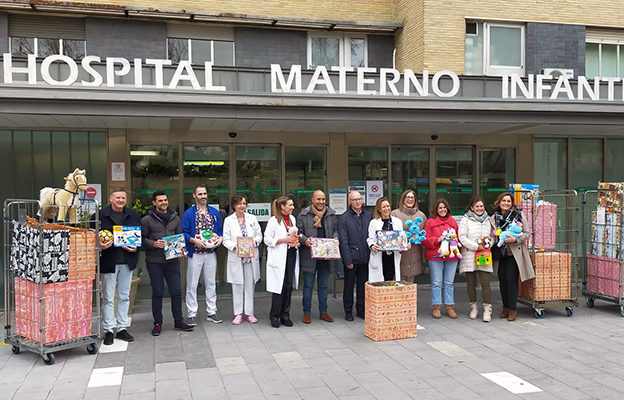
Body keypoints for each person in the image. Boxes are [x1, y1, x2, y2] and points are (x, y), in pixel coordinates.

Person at [141, 191, 194, 335]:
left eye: (165, 200)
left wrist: (181, 250)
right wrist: (153, 244)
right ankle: (157, 323)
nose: (163, 203)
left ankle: (178, 321)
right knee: (157, 292)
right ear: (154, 203)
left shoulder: (175, 218)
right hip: (154, 261)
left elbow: (180, 237)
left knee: (176, 291)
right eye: (160, 201)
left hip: (172, 261)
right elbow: (141, 239)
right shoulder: (146, 220)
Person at [95, 188, 140, 345]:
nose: (121, 200)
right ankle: (108, 329)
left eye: (123, 198)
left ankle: (121, 328)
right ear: (111, 198)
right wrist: (99, 245)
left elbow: (138, 236)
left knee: (124, 296)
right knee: (107, 297)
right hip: (108, 261)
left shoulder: (133, 215)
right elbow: (90, 236)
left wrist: (136, 248)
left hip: (127, 261)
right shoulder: (100, 215)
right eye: (118, 197)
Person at [182, 184, 224, 326]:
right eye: (200, 194)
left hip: (211, 253)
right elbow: (184, 232)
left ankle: (211, 311)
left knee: (211, 283)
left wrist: (220, 239)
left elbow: (220, 230)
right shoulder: (189, 213)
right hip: (195, 253)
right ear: (194, 196)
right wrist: (193, 241)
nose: (203, 196)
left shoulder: (214, 212)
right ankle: (191, 313)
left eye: (205, 194)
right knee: (192, 284)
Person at [489, 192, 535, 322]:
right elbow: (492, 235)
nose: (506, 203)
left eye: (508, 201)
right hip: (500, 253)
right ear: (499, 202)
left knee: (511, 280)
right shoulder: (493, 217)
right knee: (502, 279)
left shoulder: (518, 215)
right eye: (503, 201)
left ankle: (513, 309)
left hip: (514, 253)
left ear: (512, 203)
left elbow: (527, 233)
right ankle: (505, 307)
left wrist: (515, 239)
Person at [297, 190, 338, 324]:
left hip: (326, 256)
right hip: (309, 256)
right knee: (308, 285)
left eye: (323, 199)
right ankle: (306, 312)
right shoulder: (304, 214)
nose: (321, 202)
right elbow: (299, 232)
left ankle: (323, 311)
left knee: (324, 285)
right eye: (318, 199)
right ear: (312, 200)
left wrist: (335, 238)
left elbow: (336, 229)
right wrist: (304, 240)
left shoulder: (331, 214)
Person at [222, 194, 263, 325]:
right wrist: (235, 246)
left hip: (250, 258)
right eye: (239, 204)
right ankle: (238, 313)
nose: (242, 206)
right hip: (237, 256)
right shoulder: (229, 220)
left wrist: (254, 242)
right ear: (234, 205)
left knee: (250, 285)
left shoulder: (252, 218)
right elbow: (226, 239)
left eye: (244, 203)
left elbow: (259, 235)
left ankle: (250, 313)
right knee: (237, 285)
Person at [264, 196, 300, 328]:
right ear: (282, 207)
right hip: (279, 256)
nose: (293, 207)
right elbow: (267, 239)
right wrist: (283, 240)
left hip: (291, 254)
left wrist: (295, 241)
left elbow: (293, 235)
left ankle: (286, 315)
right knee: (278, 287)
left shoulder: (292, 219)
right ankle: (274, 315)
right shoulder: (273, 221)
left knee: (288, 286)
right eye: (290, 205)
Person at [422, 199, 460, 319]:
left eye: (444, 207)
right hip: (435, 255)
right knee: (436, 282)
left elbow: (458, 236)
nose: (442, 210)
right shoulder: (430, 222)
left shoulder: (452, 221)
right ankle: (436, 307)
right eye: (440, 208)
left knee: (449, 283)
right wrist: (438, 239)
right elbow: (425, 239)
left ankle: (449, 307)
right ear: (436, 210)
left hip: (451, 256)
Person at [458, 196, 493, 322]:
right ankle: (473, 307)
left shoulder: (489, 220)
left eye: (481, 206)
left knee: (485, 282)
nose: (479, 208)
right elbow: (462, 237)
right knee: (471, 283)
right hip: (470, 254)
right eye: (477, 206)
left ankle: (487, 309)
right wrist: (476, 246)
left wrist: (489, 244)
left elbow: (493, 236)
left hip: (484, 255)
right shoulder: (465, 220)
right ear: (472, 207)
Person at [339, 190, 372, 321]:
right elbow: (343, 241)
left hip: (365, 257)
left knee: (362, 285)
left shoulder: (368, 216)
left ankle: (361, 309)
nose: (358, 202)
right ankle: (348, 311)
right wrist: (347, 260)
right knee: (348, 286)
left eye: (359, 199)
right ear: (349, 202)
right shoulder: (344, 218)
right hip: (351, 258)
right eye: (355, 200)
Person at [391, 190, 427, 282]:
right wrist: (406, 240)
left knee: (411, 283)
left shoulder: (421, 216)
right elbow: (391, 234)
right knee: (398, 281)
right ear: (403, 199)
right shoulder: (395, 214)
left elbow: (425, 234)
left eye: (412, 197)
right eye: (407, 197)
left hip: (415, 253)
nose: (410, 199)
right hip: (399, 254)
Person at [367, 197, 404, 283]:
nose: (386, 209)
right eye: (383, 207)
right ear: (379, 209)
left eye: (388, 206)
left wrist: (404, 244)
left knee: (392, 280)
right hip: (380, 255)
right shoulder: (374, 223)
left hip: (393, 256)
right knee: (380, 283)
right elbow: (370, 238)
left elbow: (400, 238)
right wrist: (372, 245)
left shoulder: (397, 222)